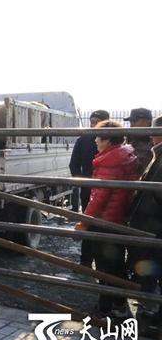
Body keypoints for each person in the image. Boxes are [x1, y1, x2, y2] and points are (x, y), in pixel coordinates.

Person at [75, 120, 139, 318]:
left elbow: (99, 197)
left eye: (98, 137)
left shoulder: (110, 161)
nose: (95, 140)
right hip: (118, 218)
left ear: (108, 139)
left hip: (105, 220)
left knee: (103, 267)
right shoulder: (124, 155)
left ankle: (103, 309)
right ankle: (119, 304)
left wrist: (84, 221)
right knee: (116, 263)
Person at [127, 115, 162, 337]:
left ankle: (153, 316)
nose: (151, 135)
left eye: (155, 131)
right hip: (152, 224)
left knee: (153, 269)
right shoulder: (156, 154)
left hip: (155, 225)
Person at [69, 110, 110, 266]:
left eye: (97, 122)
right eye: (92, 121)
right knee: (87, 223)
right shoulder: (83, 140)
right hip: (89, 191)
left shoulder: (114, 141)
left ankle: (101, 263)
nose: (93, 125)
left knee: (103, 226)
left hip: (108, 191)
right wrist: (83, 183)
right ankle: (86, 262)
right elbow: (74, 165)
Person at [125, 107, 154, 177]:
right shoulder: (128, 140)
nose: (131, 125)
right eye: (130, 122)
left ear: (147, 122)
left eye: (134, 121)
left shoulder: (155, 143)